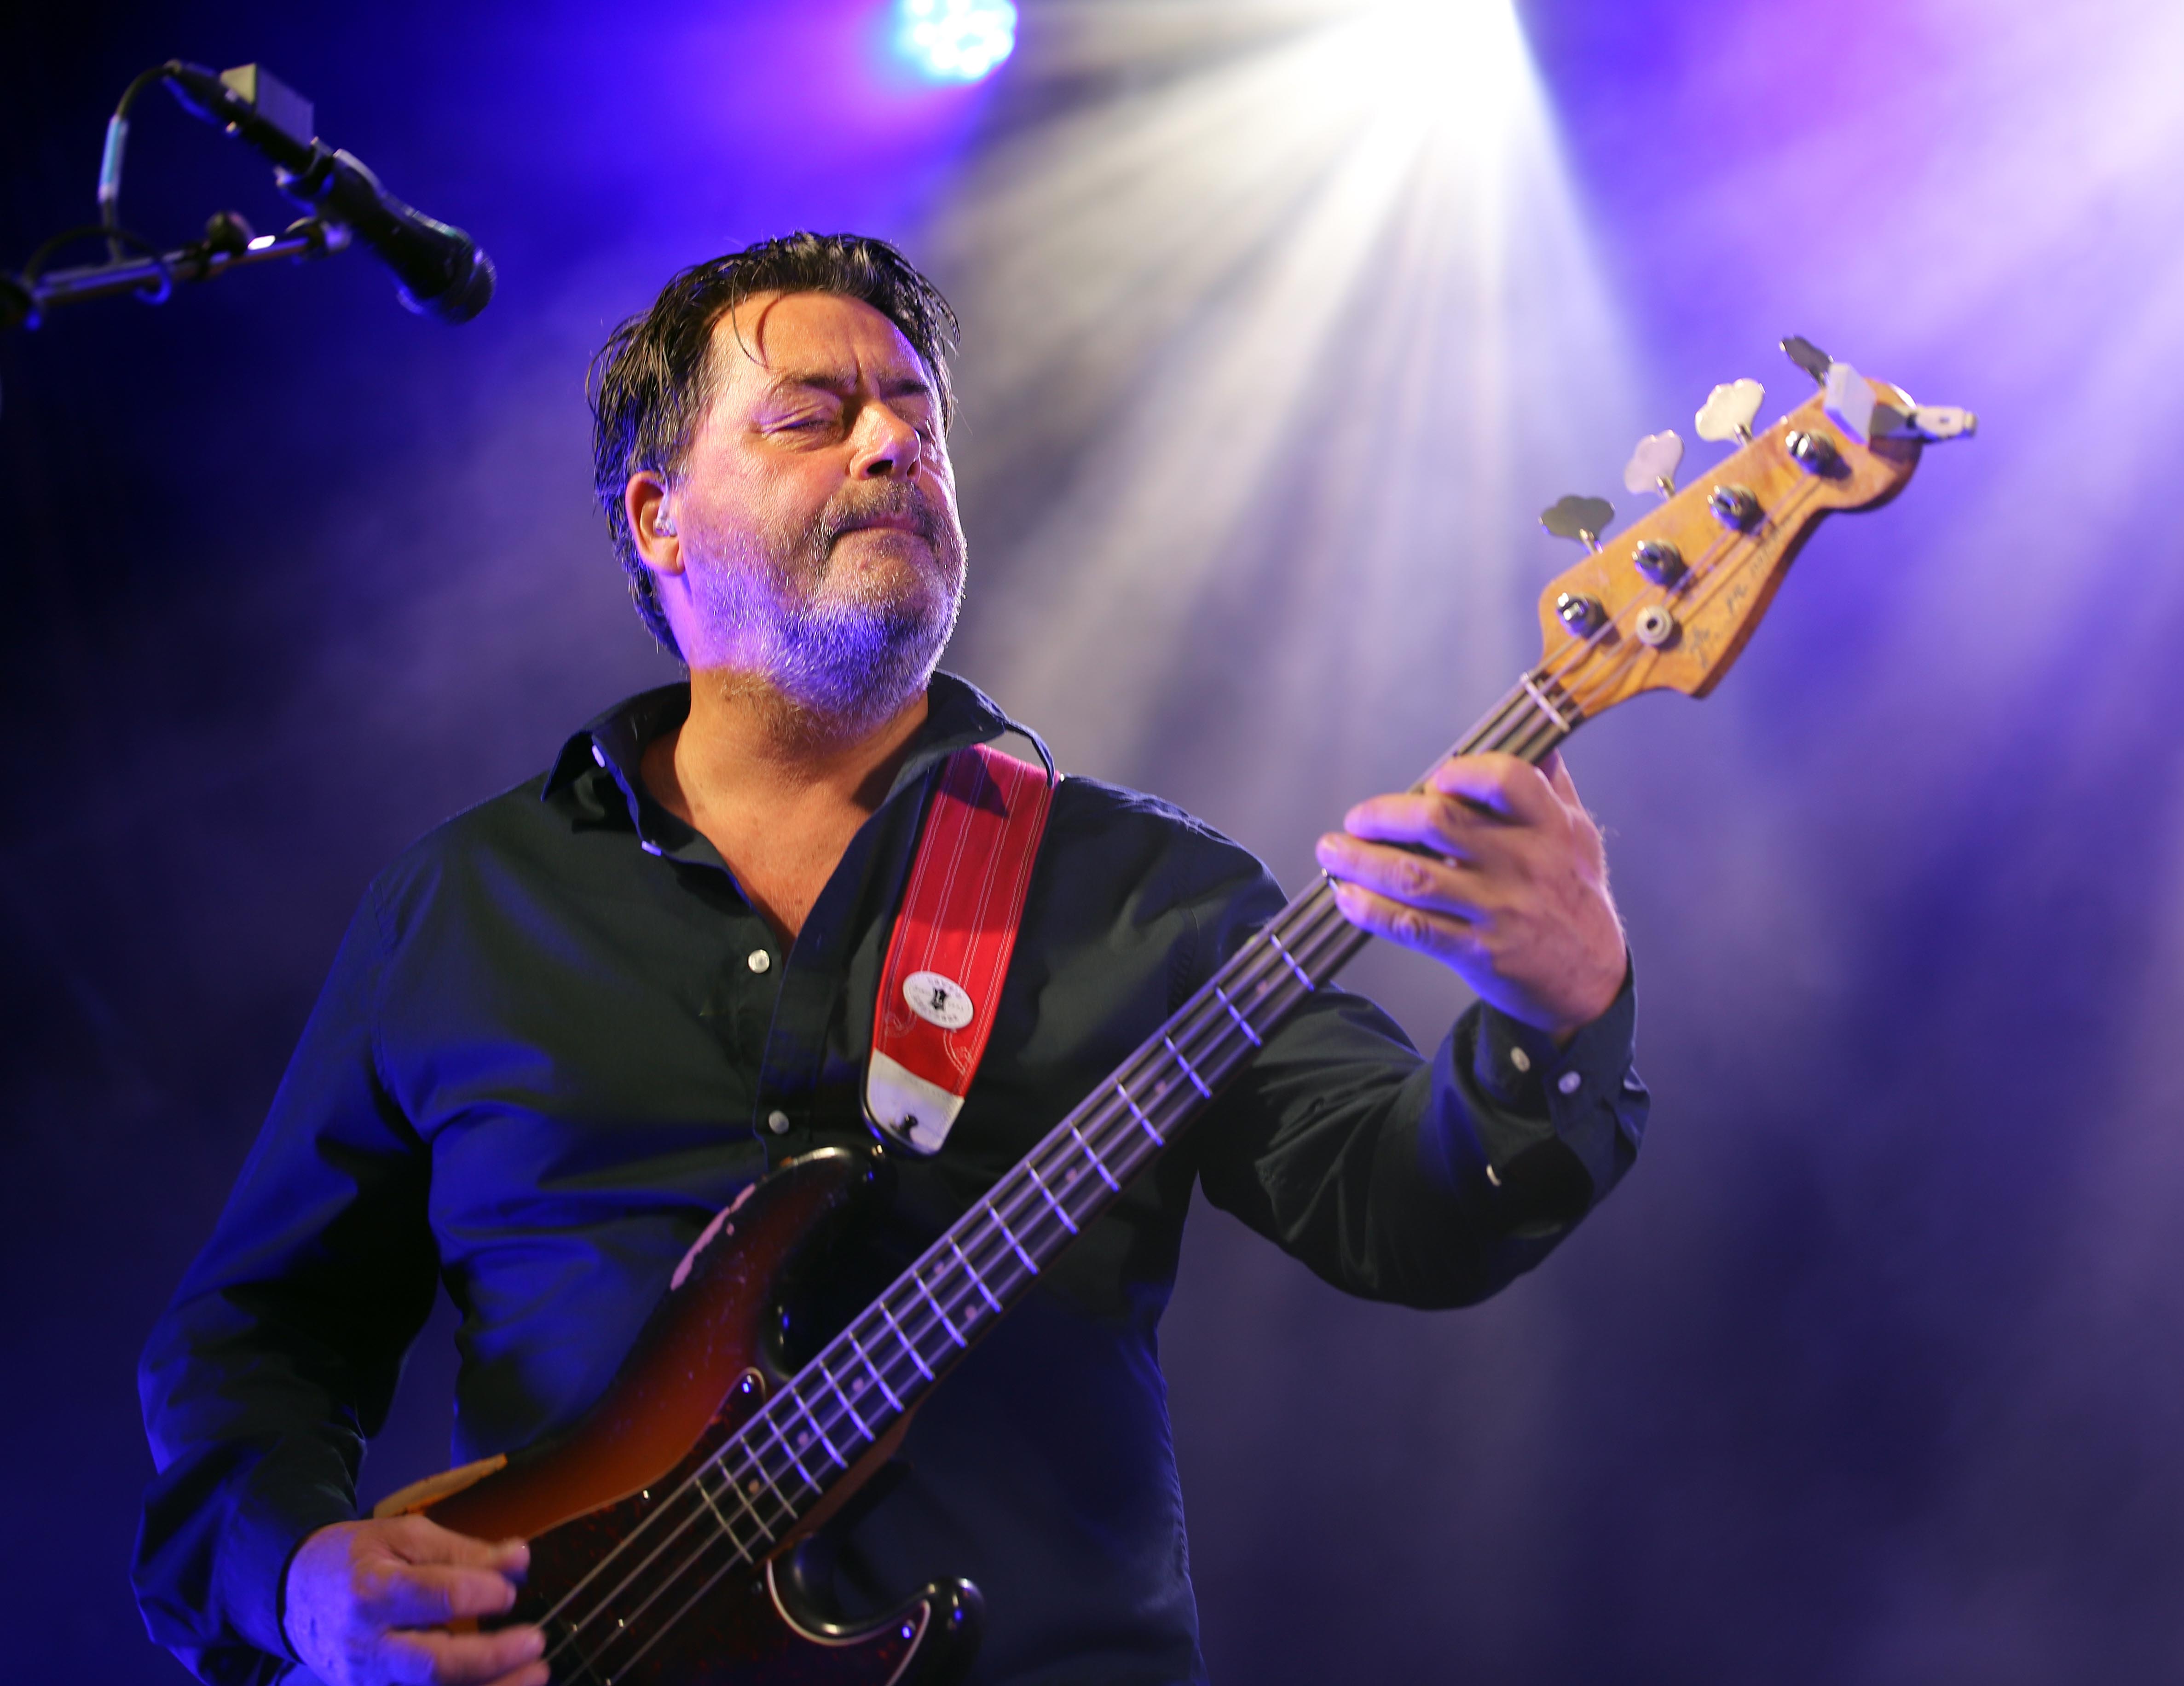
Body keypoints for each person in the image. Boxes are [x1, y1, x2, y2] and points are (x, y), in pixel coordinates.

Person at [134, 233, 1644, 1686]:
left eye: (918, 419)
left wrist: (1555, 1011)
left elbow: (1409, 1218)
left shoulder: (1146, 892)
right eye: (813, 416)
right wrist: (297, 1579)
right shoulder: (465, 905)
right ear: (659, 520)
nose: (893, 447)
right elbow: (257, 1334)